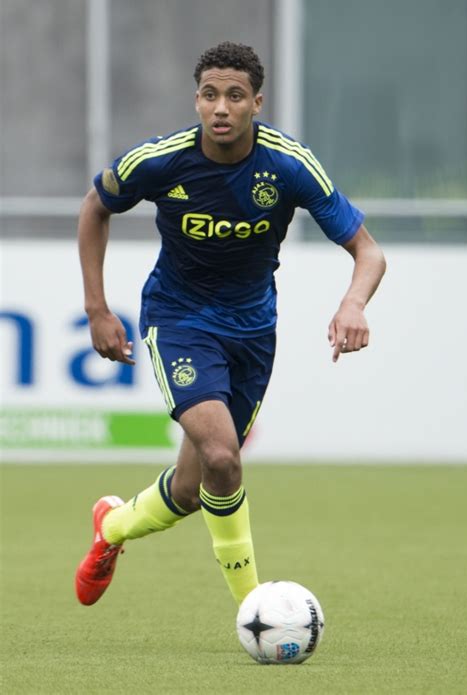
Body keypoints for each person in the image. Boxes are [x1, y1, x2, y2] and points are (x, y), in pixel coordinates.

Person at [75, 41, 386, 607]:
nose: (221, 107)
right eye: (210, 95)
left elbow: (368, 252)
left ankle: (112, 527)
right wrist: (97, 309)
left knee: (194, 489)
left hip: (252, 331)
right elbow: (95, 207)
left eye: (235, 96)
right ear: (197, 100)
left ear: (256, 104)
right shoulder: (160, 160)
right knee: (223, 456)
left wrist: (354, 304)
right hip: (178, 319)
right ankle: (255, 606)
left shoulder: (289, 165)